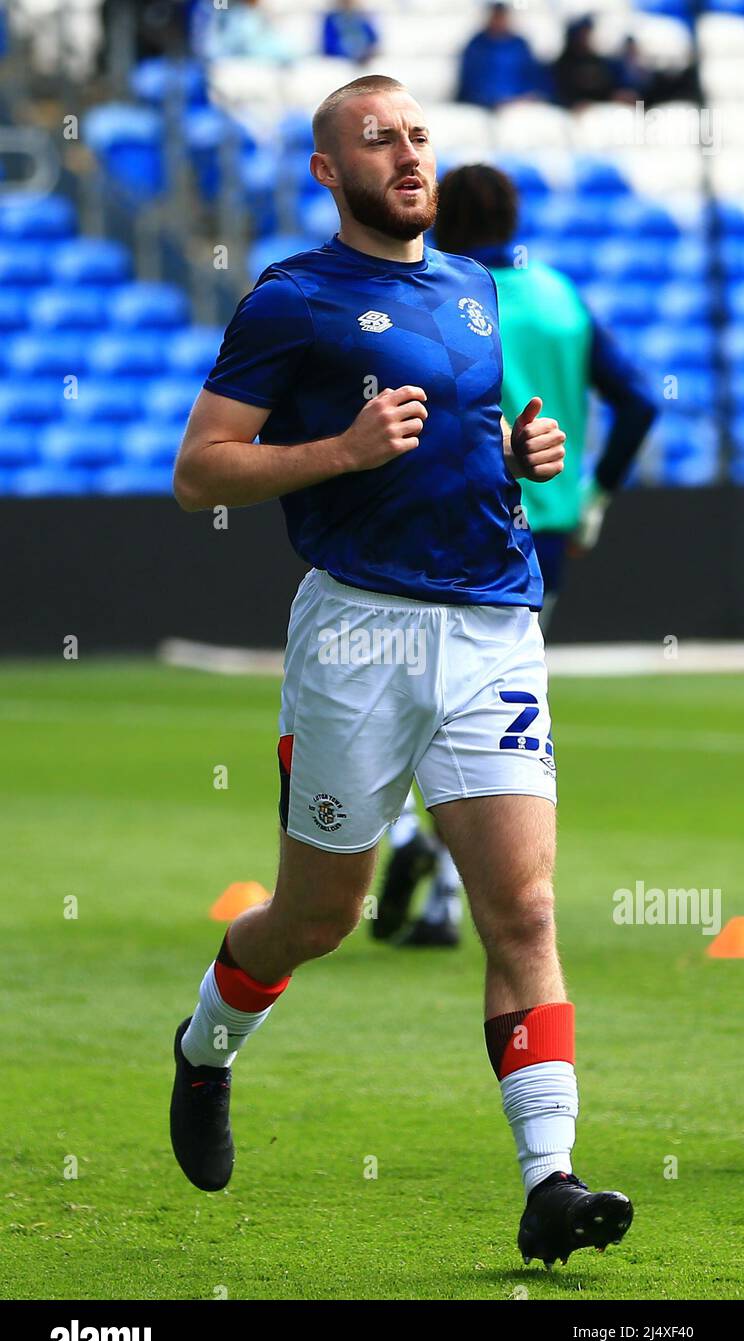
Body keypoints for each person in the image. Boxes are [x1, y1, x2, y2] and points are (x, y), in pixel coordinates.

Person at [170, 73, 633, 1269]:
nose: (407, 154)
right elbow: (203, 470)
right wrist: (339, 448)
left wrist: (534, 450)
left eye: (419, 135)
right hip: (358, 639)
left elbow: (488, 442)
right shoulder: (295, 300)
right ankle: (208, 1044)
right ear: (331, 171)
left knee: (523, 908)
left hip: (491, 628)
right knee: (320, 916)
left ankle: (550, 1181)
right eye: (378, 140)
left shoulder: (479, 288)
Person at [376, 162, 658, 948]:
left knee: (405, 696)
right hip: (549, 536)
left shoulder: (441, 295)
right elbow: (637, 399)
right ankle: (442, 897)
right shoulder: (562, 297)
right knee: (484, 708)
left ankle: (409, 840)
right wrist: (596, 493)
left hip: (453, 518)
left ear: (444, 219)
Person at [457, 2, 547, 109]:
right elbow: (471, 82)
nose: (499, 21)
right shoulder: (476, 46)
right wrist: (493, 100)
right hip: (484, 104)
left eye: (502, 17)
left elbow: (532, 77)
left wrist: (525, 96)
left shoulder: (519, 45)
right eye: (496, 17)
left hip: (518, 103)